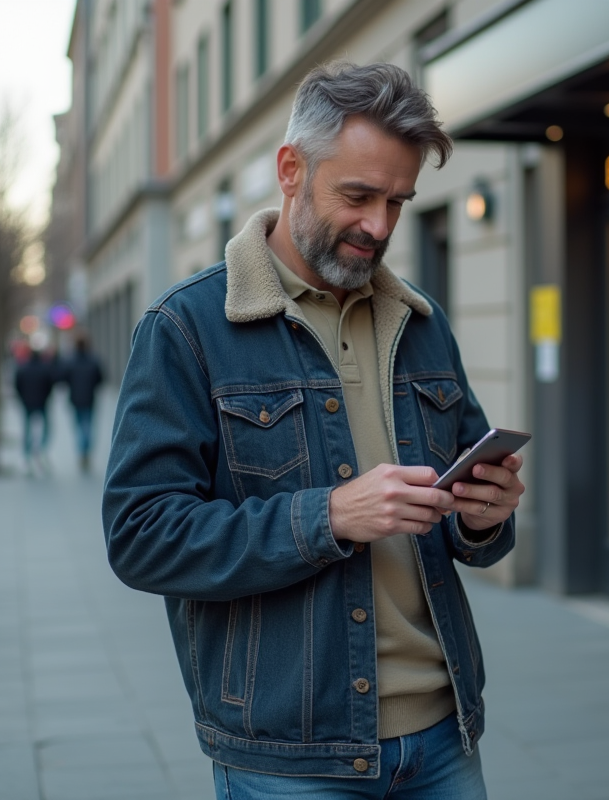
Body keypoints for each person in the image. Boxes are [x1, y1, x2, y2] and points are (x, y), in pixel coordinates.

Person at [103, 61, 525, 800]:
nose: (381, 226)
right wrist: (327, 516)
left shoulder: (421, 323)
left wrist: (486, 519)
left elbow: (466, 521)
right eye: (358, 196)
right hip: (290, 758)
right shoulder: (186, 329)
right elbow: (141, 535)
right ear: (291, 170)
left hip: (444, 736)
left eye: (399, 201)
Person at [58, 336, 104, 472]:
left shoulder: (70, 361)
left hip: (75, 399)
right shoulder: (94, 360)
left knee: (79, 426)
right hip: (89, 399)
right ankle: (86, 452)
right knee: (88, 426)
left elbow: (64, 378)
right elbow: (100, 379)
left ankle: (82, 451)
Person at [14, 348, 54, 476]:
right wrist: (45, 398)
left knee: (27, 429)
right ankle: (41, 449)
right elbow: (50, 386)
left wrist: (22, 399)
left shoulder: (23, 369)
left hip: (27, 403)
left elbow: (17, 385)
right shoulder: (45, 369)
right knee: (46, 428)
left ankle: (27, 455)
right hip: (42, 403)